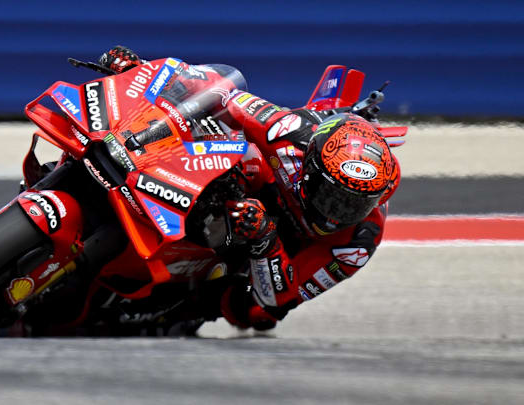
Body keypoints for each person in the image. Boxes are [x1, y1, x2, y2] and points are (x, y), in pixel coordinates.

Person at [99, 46, 401, 331]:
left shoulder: (357, 243)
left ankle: (176, 306)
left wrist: (265, 241)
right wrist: (140, 76)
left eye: (354, 204)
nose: (338, 212)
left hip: (277, 246)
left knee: (255, 314)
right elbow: (218, 92)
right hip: (253, 193)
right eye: (332, 196)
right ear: (311, 169)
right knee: (234, 148)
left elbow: (278, 301)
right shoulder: (285, 131)